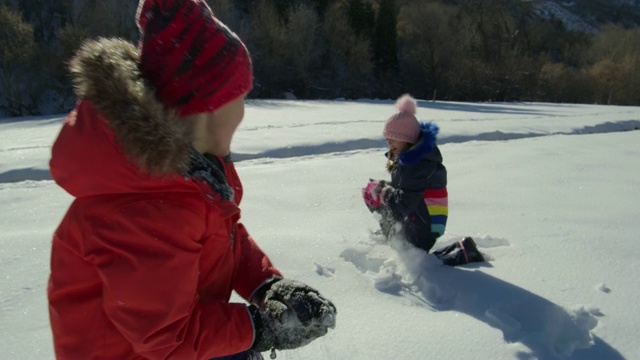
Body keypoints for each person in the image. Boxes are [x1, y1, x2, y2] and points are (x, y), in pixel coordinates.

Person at [47, 1, 336, 359]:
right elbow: (167, 338)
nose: (243, 111)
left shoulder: (192, 174)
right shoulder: (145, 209)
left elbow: (222, 237)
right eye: (240, 97)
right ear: (210, 107)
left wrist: (265, 284)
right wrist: (259, 329)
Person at [362, 94, 484, 266]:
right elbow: (404, 189)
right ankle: (393, 235)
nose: (388, 142)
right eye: (387, 138)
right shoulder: (410, 160)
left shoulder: (417, 166)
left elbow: (404, 203)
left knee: (377, 198)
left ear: (407, 138)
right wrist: (383, 188)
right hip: (420, 219)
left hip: (422, 229)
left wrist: (382, 193)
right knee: (372, 193)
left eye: (392, 137)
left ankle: (460, 253)